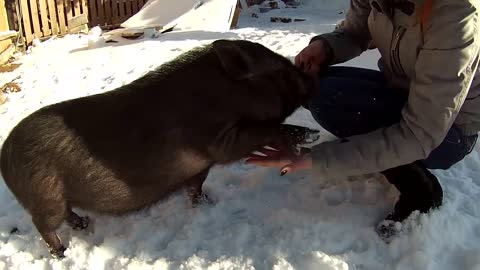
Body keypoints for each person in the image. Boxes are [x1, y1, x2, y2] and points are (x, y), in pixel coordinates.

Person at [246, 0, 480, 236]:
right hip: (404, 92)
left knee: (338, 105)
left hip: (449, 130)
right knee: (315, 88)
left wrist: (315, 159)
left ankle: (419, 190)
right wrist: (325, 48)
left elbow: (418, 134)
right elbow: (355, 31)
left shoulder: (455, 14)